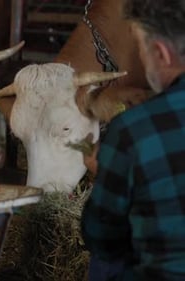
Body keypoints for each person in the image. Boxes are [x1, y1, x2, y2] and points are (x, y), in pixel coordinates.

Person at [81, 0, 185, 280]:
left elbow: (101, 236)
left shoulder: (133, 130)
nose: (140, 55)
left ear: (161, 53)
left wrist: (103, 173)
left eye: (140, 46)